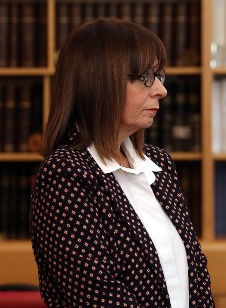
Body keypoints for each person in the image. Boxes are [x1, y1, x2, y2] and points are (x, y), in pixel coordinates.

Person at [30, 18, 215, 308]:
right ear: (100, 80)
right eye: (144, 77)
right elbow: (95, 296)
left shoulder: (158, 164)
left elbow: (196, 276)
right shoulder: (65, 175)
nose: (161, 90)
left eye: (159, 75)